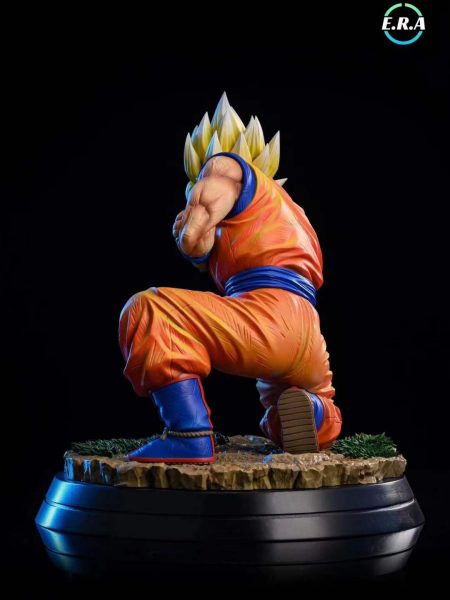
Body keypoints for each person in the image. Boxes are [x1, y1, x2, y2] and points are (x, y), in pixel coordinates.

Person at [119, 93, 342, 463]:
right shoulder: (289, 208)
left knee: (150, 309)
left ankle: (187, 435)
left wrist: (184, 231)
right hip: (308, 331)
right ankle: (317, 414)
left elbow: (193, 239)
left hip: (269, 318)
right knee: (291, 408)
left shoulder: (222, 167)